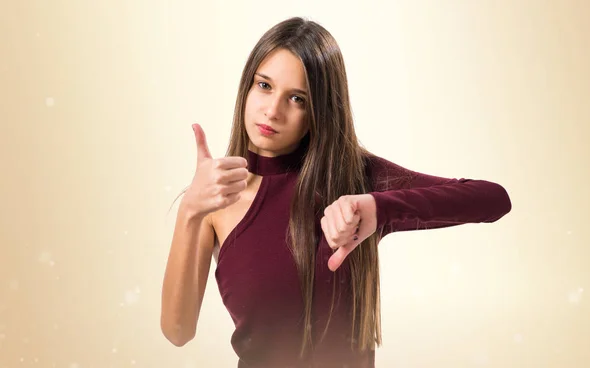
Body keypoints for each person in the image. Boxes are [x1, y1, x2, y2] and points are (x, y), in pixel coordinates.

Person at [160, 16, 512, 368]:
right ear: (247, 87)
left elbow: (493, 199)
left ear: (319, 111)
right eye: (264, 86)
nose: (273, 110)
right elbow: (177, 331)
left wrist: (377, 209)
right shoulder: (214, 201)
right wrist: (190, 209)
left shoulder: (355, 178)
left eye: (297, 99)